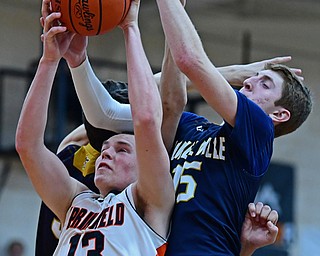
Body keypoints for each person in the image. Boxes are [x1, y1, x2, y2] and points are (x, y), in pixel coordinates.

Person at [152, 0, 313, 254]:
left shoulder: (260, 131)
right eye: (253, 75)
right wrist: (236, 71)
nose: (249, 80)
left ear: (279, 114)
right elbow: (153, 91)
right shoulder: (194, 127)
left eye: (265, 83)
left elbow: (190, 60)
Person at [15, 0, 175, 255]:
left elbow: (146, 119)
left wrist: (130, 27)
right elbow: (28, 146)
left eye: (122, 150)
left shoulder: (151, 202)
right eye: (105, 148)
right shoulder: (76, 200)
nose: (106, 153)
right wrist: (50, 59)